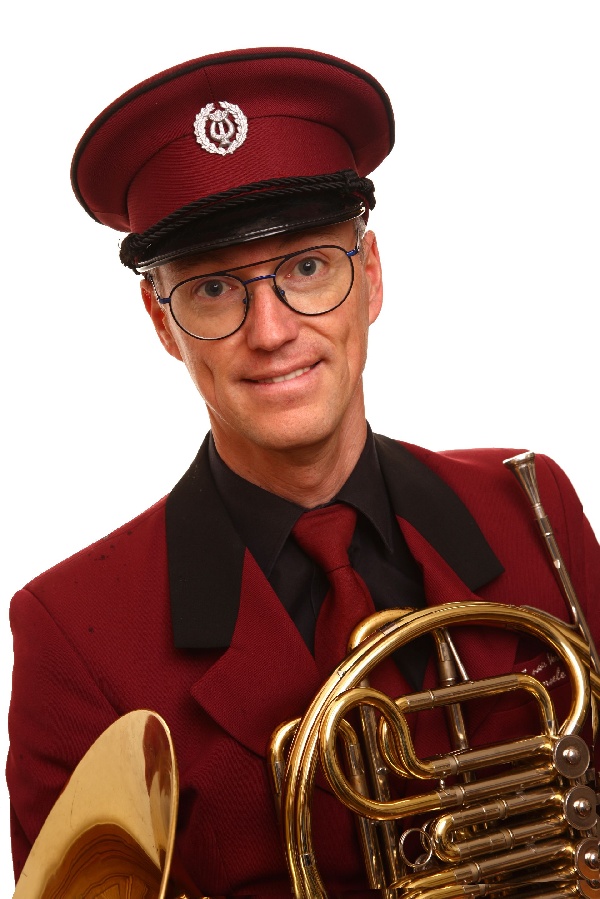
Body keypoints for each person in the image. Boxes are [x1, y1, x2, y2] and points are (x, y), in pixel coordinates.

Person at [7, 46, 600, 897]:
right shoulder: (73, 631)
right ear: (162, 321)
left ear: (371, 277)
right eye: (214, 289)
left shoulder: (530, 504)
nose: (272, 331)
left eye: (308, 267)